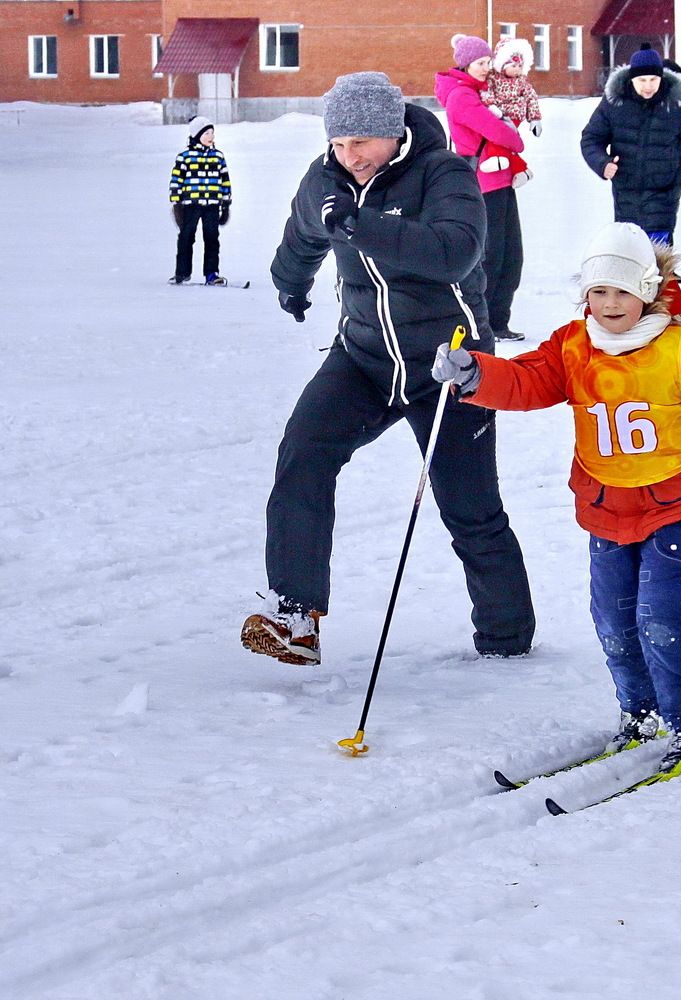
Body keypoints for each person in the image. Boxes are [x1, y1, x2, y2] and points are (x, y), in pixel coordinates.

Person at [430, 222, 681, 771]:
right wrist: (474, 374)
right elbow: (527, 381)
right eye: (598, 291)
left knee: (665, 612)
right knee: (613, 616)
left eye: (623, 292)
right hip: (608, 504)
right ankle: (641, 712)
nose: (611, 304)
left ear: (648, 291)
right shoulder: (574, 345)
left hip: (678, 501)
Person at [240, 71, 535, 666]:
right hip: (364, 358)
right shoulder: (326, 178)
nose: (350, 158)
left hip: (449, 367)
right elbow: (302, 236)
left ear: (394, 132)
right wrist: (290, 286)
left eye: (362, 144)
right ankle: (296, 616)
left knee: (469, 508)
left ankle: (506, 642)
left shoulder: (443, 172)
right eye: (340, 144)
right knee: (303, 456)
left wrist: (358, 224)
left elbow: (455, 252)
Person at [580, 44, 681, 248]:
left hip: (664, 187)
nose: (648, 86)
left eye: (653, 80)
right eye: (642, 80)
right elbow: (590, 138)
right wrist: (602, 163)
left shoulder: (676, 103)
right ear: (632, 79)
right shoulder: (615, 102)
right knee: (631, 250)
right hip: (626, 187)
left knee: (657, 252)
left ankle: (661, 278)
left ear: (661, 77)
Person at [435, 34, 528, 342]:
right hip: (484, 184)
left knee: (511, 254)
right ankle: (486, 322)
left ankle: (499, 321)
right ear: (465, 64)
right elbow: (497, 131)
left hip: (502, 180)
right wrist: (514, 137)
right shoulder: (462, 96)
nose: (487, 68)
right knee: (493, 255)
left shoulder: (481, 92)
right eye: (480, 63)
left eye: (489, 62)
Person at [168, 116, 231, 286]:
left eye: (212, 133)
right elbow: (176, 180)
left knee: (211, 238)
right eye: (206, 133)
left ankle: (211, 273)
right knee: (186, 237)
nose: (210, 137)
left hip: (212, 205)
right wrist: (177, 203)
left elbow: (225, 180)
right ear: (196, 135)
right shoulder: (185, 157)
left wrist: (226, 203)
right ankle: (182, 273)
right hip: (191, 205)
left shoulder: (217, 157)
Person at [478, 36, 542, 189]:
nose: (517, 70)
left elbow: (531, 97)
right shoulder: (493, 77)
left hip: (514, 115)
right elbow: (486, 91)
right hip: (497, 113)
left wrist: (534, 119)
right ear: (502, 64)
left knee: (498, 138)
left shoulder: (522, 81)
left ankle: (498, 158)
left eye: (520, 66)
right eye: (513, 65)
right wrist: (491, 106)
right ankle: (521, 169)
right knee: (502, 140)